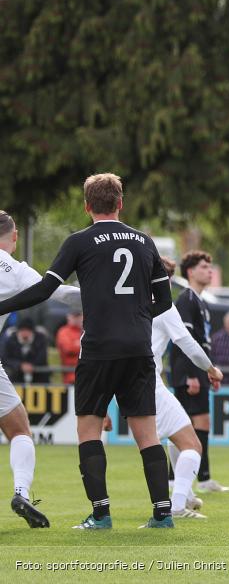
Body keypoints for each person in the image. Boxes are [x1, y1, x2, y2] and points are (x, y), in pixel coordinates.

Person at [0, 174, 174, 529]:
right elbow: (165, 300)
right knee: (148, 433)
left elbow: (47, 288)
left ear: (86, 205)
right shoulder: (144, 241)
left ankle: (101, 513)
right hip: (139, 347)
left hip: (98, 347)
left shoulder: (79, 241)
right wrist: (137, 316)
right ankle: (162, 513)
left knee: (89, 430)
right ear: (120, 203)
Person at [0, 210, 81, 527]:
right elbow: (64, 296)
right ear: (15, 236)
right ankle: (21, 491)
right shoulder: (15, 270)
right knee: (19, 429)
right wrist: (110, 294)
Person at [136, 256, 225, 519]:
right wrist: (211, 369)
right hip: (146, 379)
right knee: (192, 444)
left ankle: (181, 496)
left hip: (123, 383)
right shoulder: (165, 307)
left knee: (159, 442)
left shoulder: (123, 303)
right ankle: (175, 505)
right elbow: (186, 342)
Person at [171, 250, 229, 493]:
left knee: (201, 423)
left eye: (210, 266)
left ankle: (203, 478)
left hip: (199, 371)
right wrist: (191, 375)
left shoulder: (201, 301)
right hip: (188, 373)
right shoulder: (186, 299)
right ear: (190, 271)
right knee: (182, 426)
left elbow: (202, 343)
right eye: (204, 267)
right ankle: (176, 479)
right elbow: (182, 340)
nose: (209, 270)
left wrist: (208, 370)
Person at [1, 317, 49, 384]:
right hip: (16, 378)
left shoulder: (40, 340)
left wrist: (32, 365)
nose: (25, 333)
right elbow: (5, 358)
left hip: (38, 380)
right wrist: (20, 365)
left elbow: (42, 356)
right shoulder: (11, 340)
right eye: (22, 330)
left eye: (27, 330)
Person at [56, 310, 83, 384]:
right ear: (68, 317)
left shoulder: (85, 331)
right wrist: (83, 345)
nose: (76, 319)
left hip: (87, 375)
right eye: (74, 317)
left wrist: (78, 344)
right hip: (71, 377)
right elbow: (68, 349)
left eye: (78, 316)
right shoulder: (63, 331)